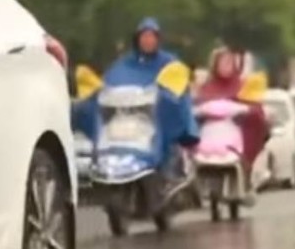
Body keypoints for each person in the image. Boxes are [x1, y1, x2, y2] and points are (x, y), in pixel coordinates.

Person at [72, 17, 200, 182]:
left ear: (158, 40)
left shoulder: (169, 64)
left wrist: (164, 100)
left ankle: (168, 168)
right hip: (124, 126)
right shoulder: (123, 64)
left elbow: (176, 92)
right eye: (144, 37)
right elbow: (108, 87)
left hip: (152, 124)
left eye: (151, 37)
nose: (148, 41)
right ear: (137, 39)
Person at [195, 46, 270, 193]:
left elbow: (254, 107)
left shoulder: (242, 85)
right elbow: (197, 106)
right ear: (215, 65)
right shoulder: (207, 87)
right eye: (222, 62)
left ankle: (247, 174)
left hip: (236, 132)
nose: (226, 66)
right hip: (210, 135)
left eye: (229, 62)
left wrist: (246, 112)